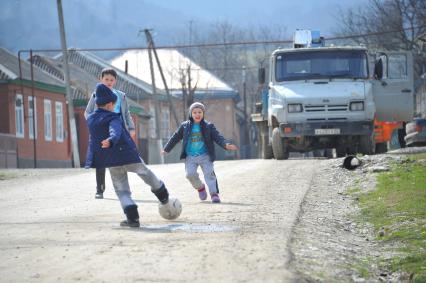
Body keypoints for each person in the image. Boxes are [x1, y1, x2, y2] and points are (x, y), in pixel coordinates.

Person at [85, 83, 170, 228]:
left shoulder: (91, 119)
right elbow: (115, 132)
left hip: (111, 161)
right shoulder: (114, 118)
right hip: (128, 155)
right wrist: (111, 141)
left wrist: (92, 159)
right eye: (114, 104)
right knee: (144, 171)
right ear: (110, 104)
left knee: (122, 190)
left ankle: (133, 218)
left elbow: (90, 127)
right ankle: (162, 193)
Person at [162, 102, 238, 203]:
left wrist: (225, 144)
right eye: (195, 112)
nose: (197, 114)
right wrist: (167, 149)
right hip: (190, 157)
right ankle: (200, 188)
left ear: (203, 113)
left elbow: (217, 137)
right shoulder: (184, 126)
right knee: (190, 174)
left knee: (209, 174)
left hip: (205, 155)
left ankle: (214, 194)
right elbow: (175, 137)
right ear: (191, 114)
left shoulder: (208, 126)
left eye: (200, 112)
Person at [85, 68, 136, 199]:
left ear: (115, 81)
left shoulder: (121, 96)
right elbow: (88, 112)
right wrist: (93, 124)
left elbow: (126, 114)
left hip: (119, 131)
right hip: (102, 130)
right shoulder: (96, 95)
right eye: (106, 79)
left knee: (121, 161)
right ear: (101, 80)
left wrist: (131, 128)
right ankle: (99, 190)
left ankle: (124, 190)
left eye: (111, 80)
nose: (109, 82)